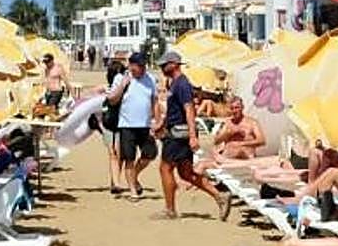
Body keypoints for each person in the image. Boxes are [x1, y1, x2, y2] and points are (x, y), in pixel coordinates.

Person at [153, 50, 231, 221]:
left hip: (179, 134)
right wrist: (162, 124)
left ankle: (170, 209)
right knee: (186, 172)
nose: (162, 68)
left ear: (173, 64)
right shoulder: (175, 84)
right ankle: (220, 196)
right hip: (177, 131)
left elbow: (189, 110)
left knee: (165, 168)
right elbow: (176, 110)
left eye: (164, 65)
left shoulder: (182, 84)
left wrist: (193, 136)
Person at [106, 52, 158, 197]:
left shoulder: (151, 79)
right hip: (127, 125)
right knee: (129, 158)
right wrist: (123, 85)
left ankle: (134, 176)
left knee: (150, 154)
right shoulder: (120, 78)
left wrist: (157, 121)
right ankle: (133, 191)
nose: (142, 69)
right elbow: (112, 100)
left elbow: (154, 101)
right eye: (139, 66)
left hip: (145, 125)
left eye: (143, 66)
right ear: (131, 65)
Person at [195, 96, 265, 174]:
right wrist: (227, 134)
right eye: (232, 108)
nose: (234, 110)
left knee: (238, 150)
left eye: (237, 107)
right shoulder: (228, 123)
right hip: (226, 158)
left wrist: (241, 144)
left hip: (244, 159)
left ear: (242, 108)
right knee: (200, 165)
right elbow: (215, 141)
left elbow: (262, 141)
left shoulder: (252, 123)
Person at [101, 59, 126, 194]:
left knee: (114, 153)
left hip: (110, 121)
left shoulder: (119, 85)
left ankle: (115, 181)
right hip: (114, 121)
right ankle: (116, 182)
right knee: (115, 152)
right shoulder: (115, 86)